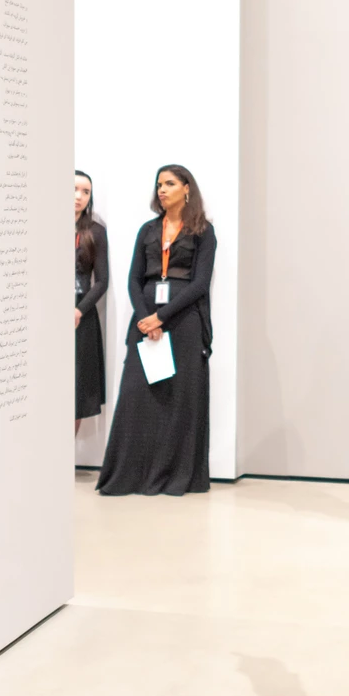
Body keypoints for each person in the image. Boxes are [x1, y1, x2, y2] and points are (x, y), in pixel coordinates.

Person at [97, 165, 215, 496]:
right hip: (146, 322)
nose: (161, 189)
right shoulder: (147, 230)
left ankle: (176, 476)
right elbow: (135, 279)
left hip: (185, 323)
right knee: (138, 395)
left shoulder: (203, 232)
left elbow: (200, 284)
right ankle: (130, 476)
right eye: (159, 184)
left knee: (180, 399)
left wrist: (162, 317)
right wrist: (146, 316)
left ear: (187, 188)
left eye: (170, 183)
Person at [74, 170, 109, 427]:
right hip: (45, 317)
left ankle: (64, 465)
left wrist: (78, 311)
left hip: (81, 318)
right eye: (74, 189)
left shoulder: (95, 232)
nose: (79, 196)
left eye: (86, 192)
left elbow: (102, 281)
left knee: (75, 396)